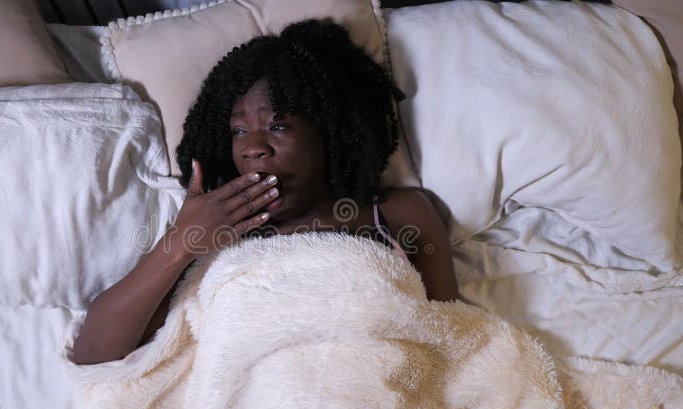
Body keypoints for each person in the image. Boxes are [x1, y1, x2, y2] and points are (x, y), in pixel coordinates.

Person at [71, 19, 459, 365]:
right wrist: (181, 241)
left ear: (330, 133)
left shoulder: (401, 214)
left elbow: (454, 342)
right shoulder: (209, 233)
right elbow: (95, 353)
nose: (252, 147)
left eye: (277, 126)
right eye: (239, 131)